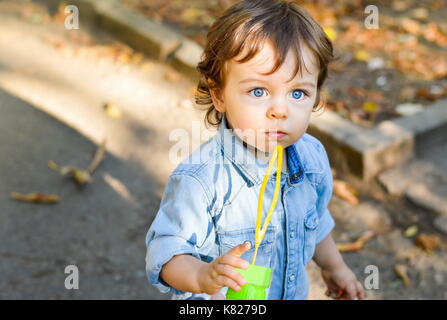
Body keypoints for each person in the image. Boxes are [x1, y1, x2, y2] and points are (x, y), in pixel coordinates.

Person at [145, 0, 365, 300]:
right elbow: (166, 249)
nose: (280, 110)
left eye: (298, 93)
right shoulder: (203, 179)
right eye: (258, 91)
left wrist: (334, 267)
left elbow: (315, 221)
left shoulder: (312, 158)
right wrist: (200, 275)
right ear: (219, 94)